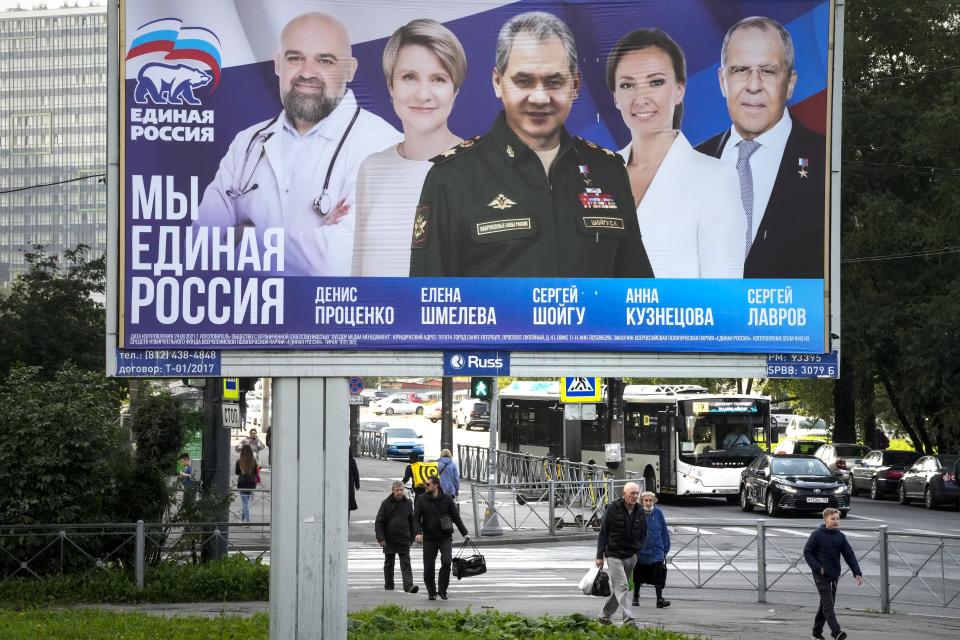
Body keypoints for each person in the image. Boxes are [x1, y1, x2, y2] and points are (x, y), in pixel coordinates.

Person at [409, 11, 654, 278]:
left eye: (554, 82)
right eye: (524, 81)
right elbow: (427, 305)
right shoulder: (451, 178)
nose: (539, 97)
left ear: (574, 85)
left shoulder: (610, 172)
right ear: (498, 82)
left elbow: (636, 296)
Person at [195, 12, 402, 277]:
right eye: (295, 58)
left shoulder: (383, 145)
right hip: (248, 315)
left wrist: (243, 237)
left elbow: (339, 262)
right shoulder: (247, 142)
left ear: (350, 70)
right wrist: (313, 238)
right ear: (278, 64)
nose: (307, 72)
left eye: (325, 60)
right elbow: (201, 247)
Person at [607, 29, 744, 278]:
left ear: (679, 89)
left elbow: (724, 296)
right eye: (628, 85)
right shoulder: (598, 175)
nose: (641, 98)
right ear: (615, 97)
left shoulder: (715, 179)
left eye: (656, 82)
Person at [696, 16, 826, 279]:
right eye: (740, 70)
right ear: (723, 81)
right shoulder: (692, 162)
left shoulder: (827, 160)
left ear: (790, 83)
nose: (753, 86)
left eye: (767, 71)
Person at [352, 19, 466, 275]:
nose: (423, 94)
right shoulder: (372, 169)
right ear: (391, 87)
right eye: (409, 77)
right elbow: (358, 279)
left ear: (455, 90)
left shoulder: (482, 168)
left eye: (438, 79)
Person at [803, 508, 863, 640]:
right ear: (825, 520)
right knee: (828, 605)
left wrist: (856, 572)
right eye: (833, 519)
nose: (836, 521)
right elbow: (807, 552)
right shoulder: (817, 535)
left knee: (825, 604)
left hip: (834, 575)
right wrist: (819, 568)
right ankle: (836, 633)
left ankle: (816, 633)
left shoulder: (840, 536)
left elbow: (849, 554)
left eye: (837, 519)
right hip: (821, 575)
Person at [595, 482, 646, 626]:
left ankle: (604, 616)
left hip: (631, 556)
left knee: (618, 589)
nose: (635, 496)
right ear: (624, 494)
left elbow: (644, 533)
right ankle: (629, 621)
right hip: (614, 554)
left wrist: (638, 551)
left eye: (637, 493)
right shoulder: (612, 508)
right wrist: (599, 556)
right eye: (632, 493)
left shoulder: (640, 511)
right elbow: (603, 532)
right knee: (623, 586)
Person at [413, 475, 469, 601]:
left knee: (446, 562)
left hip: (445, 537)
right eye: (425, 484)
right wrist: (417, 533)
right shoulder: (421, 499)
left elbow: (456, 517)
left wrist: (465, 533)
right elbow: (416, 518)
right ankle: (431, 592)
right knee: (428, 567)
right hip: (429, 538)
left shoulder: (447, 499)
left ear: (436, 485)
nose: (426, 486)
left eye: (428, 484)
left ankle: (442, 590)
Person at [374, 481, 419, 594]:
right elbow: (379, 522)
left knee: (406, 563)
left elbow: (412, 521)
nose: (399, 492)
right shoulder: (386, 503)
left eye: (401, 490)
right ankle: (389, 587)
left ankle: (409, 586)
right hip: (389, 539)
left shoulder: (408, 503)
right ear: (393, 491)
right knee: (389, 563)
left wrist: (412, 537)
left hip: (404, 538)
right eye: (397, 490)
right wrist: (380, 538)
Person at [632, 491, 671, 608]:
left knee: (658, 574)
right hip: (642, 551)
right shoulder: (637, 512)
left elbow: (664, 531)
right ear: (642, 501)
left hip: (656, 550)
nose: (648, 503)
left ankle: (659, 599)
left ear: (654, 501)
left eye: (650, 500)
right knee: (638, 575)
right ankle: (635, 598)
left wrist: (665, 549)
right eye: (646, 500)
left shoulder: (658, 513)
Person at [235, 444, 258, 523]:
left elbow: (237, 472)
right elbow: (256, 473)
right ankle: (242, 519)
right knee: (246, 502)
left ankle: (247, 521)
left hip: (242, 483)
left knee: (245, 503)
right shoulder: (254, 461)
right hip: (252, 483)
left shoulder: (239, 461)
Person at [349, 451, 360, 520]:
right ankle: (347, 518)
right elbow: (356, 473)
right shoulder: (352, 461)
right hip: (349, 484)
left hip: (348, 483)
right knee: (348, 501)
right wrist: (357, 484)